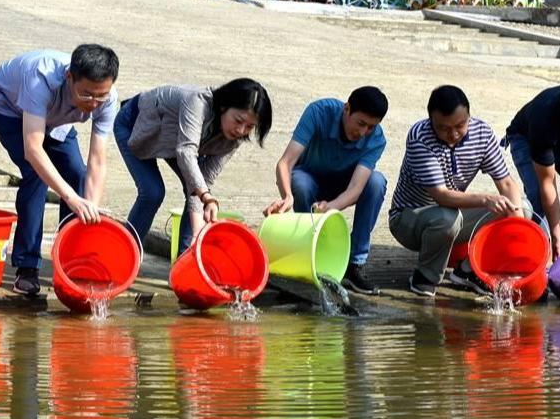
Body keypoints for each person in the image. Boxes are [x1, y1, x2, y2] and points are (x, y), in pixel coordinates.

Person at [0, 44, 119, 296]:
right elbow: (33, 149)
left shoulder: (107, 100)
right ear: (69, 78)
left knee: (77, 175)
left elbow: (97, 161)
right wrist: (70, 198)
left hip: (57, 119)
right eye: (87, 95)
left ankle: (69, 262)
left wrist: (89, 207)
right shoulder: (41, 77)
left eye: (101, 96)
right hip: (7, 106)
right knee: (35, 173)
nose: (94, 103)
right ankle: (27, 267)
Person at [389, 85, 524, 297]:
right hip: (409, 220)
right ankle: (425, 277)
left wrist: (515, 225)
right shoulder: (419, 137)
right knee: (447, 217)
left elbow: (506, 183)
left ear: (469, 115)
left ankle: (469, 270)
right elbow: (440, 196)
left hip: (452, 214)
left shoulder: (482, 133)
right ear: (431, 120)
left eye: (460, 125)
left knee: (520, 208)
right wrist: (485, 199)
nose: (453, 134)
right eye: (443, 128)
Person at [114, 78, 272, 252]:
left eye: (250, 126)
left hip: (174, 143)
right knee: (153, 192)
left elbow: (203, 180)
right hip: (137, 126)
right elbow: (186, 152)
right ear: (223, 107)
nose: (241, 130)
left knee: (198, 188)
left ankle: (187, 259)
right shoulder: (197, 102)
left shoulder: (234, 139)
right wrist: (206, 197)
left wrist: (197, 231)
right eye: (238, 120)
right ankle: (125, 254)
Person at [264, 86, 389, 295]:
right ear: (347, 108)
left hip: (344, 189)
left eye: (371, 127)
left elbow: (356, 188)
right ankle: (309, 248)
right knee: (300, 182)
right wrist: (287, 196)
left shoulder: (376, 139)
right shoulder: (319, 112)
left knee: (377, 182)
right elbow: (285, 163)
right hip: (310, 180)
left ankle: (354, 263)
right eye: (360, 123)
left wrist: (331, 207)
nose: (363, 132)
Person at [505, 85, 560, 261]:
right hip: (524, 138)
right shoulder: (544, 119)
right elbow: (547, 184)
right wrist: (556, 234)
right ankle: (531, 259)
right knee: (539, 200)